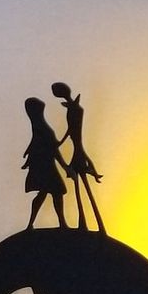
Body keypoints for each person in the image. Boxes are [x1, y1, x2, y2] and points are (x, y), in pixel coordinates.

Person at [51, 82, 105, 232]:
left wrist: (60, 143)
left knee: (84, 191)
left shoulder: (76, 109)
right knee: (79, 191)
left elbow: (73, 131)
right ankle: (84, 225)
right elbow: (71, 131)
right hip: (77, 152)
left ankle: (97, 226)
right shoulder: (73, 108)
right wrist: (60, 143)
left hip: (78, 153)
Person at [23, 98, 68, 229]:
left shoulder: (39, 127)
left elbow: (36, 144)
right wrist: (65, 167)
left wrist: (28, 156)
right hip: (46, 168)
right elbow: (54, 150)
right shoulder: (42, 128)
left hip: (44, 166)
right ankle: (61, 222)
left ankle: (32, 223)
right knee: (56, 192)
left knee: (45, 194)